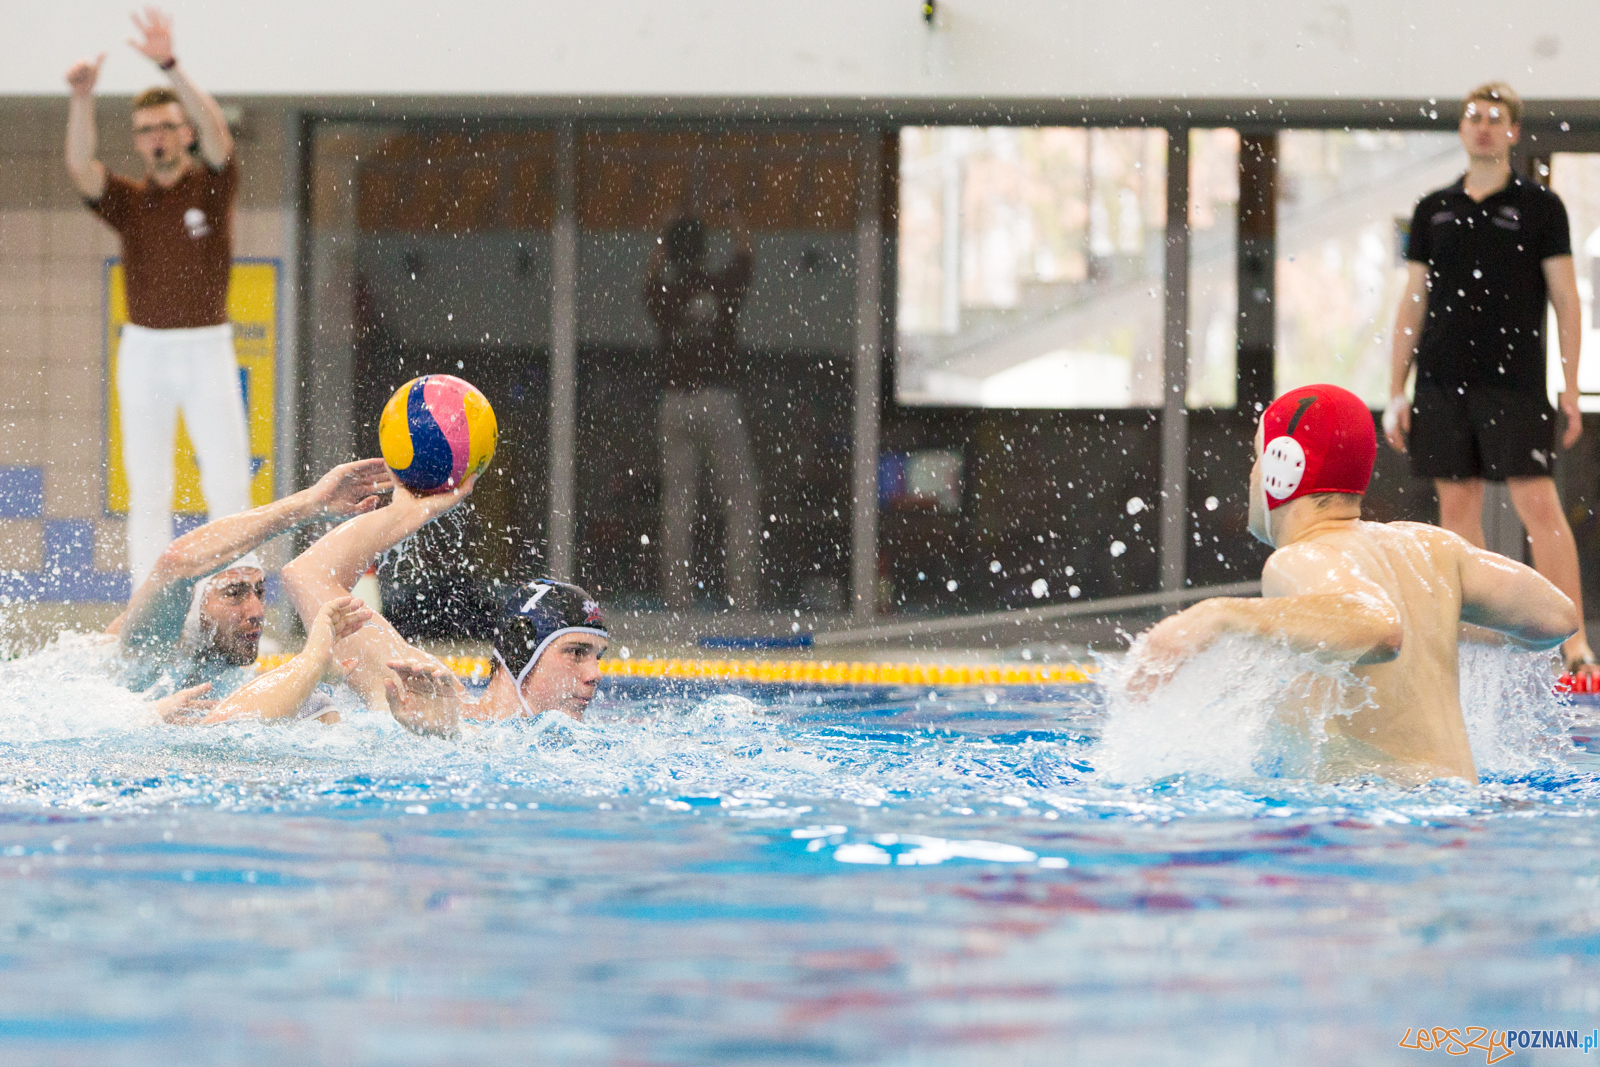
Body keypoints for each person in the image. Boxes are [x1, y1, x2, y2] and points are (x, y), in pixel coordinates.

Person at [1129, 384, 1578, 786]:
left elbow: (1377, 628)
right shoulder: (1427, 547)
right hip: (1459, 811)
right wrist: (1437, 615)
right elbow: (1557, 617)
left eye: (1257, 456)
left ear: (1282, 467)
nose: (1251, 473)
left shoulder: (1299, 559)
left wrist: (1220, 614)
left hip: (1385, 820)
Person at [1383, 81, 1593, 675]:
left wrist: (1569, 385)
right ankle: (1476, 648)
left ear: (1512, 131)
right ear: (1461, 128)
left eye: (1495, 118)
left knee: (1539, 506)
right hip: (1442, 382)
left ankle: (1574, 643)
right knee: (1457, 514)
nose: (1483, 126)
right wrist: (1396, 389)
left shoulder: (1541, 208)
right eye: (1474, 116)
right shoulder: (1433, 209)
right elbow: (1413, 303)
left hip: (1515, 383)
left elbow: (1566, 301)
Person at [65, 7, 253, 585]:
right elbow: (80, 167)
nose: (157, 137)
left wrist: (170, 65)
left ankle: (241, 599)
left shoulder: (212, 185)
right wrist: (82, 99)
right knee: (148, 488)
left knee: (228, 484)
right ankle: (147, 610)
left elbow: (219, 133)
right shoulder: (130, 201)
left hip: (207, 349)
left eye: (167, 126)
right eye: (146, 130)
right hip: (144, 351)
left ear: (185, 132)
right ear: (138, 142)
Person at [281, 477, 608, 738]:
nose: (594, 674)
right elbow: (307, 574)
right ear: (520, 649)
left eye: (598, 656)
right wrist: (408, 512)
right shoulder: (424, 692)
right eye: (576, 652)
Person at [112, 459, 392, 717]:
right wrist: (309, 504)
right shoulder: (149, 649)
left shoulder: (230, 671)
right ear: (191, 606)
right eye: (234, 594)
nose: (256, 611)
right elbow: (174, 562)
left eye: (259, 592)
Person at [643, 202, 761, 610]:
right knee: (740, 500)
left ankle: (677, 600)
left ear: (673, 253)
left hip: (675, 402)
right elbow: (746, 253)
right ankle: (742, 599)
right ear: (705, 250)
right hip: (718, 399)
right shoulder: (720, 286)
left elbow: (649, 278)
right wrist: (731, 214)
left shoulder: (667, 293)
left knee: (678, 505)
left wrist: (665, 236)